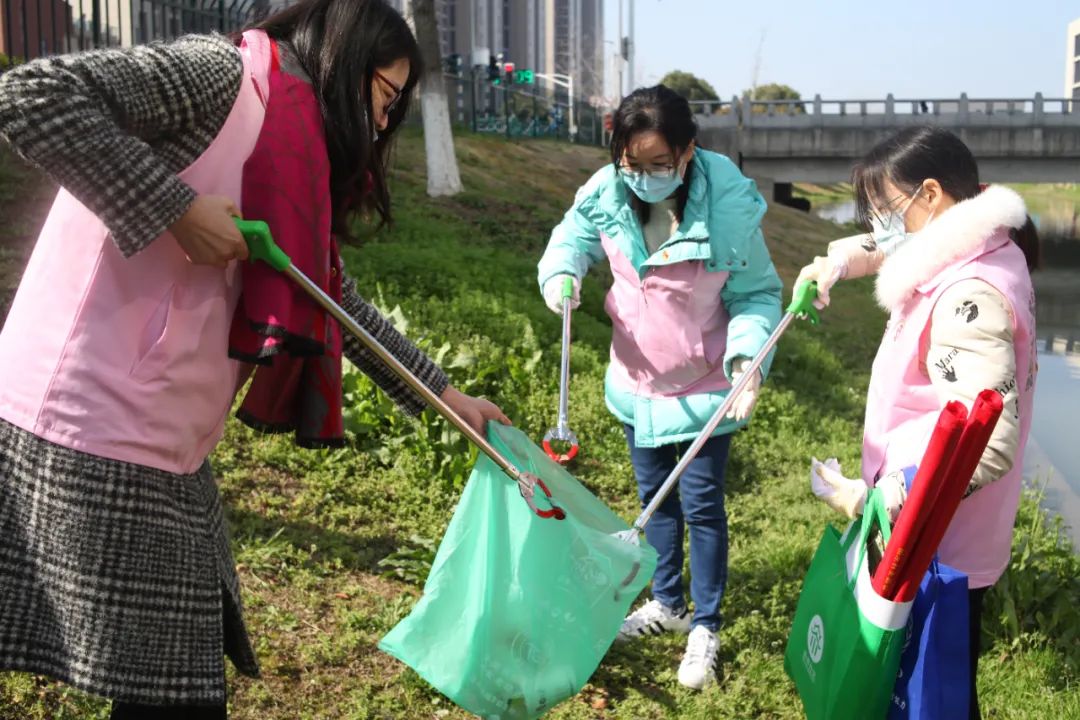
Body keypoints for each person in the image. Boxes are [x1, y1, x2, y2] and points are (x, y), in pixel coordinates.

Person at [0, 0, 509, 716]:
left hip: (163, 436)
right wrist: (173, 208)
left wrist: (444, 397)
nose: (383, 125)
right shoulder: (220, 78)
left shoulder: (292, 144)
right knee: (175, 693)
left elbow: (330, 298)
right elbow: (34, 94)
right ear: (342, 59)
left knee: (173, 682)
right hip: (81, 423)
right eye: (384, 98)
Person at [536, 85, 783, 690]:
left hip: (704, 387)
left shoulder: (725, 211)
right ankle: (667, 603)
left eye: (659, 165)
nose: (645, 177)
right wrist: (563, 272)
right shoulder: (607, 194)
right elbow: (573, 236)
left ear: (687, 152)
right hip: (637, 382)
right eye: (633, 163)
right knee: (654, 502)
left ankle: (706, 624)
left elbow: (756, 295)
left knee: (701, 503)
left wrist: (748, 356)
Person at [799, 126, 1039, 720]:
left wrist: (883, 499)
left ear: (930, 195)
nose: (879, 224)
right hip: (935, 522)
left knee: (934, 687)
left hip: (939, 537)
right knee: (931, 678)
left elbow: (988, 442)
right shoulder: (976, 242)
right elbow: (887, 248)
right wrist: (835, 263)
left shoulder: (968, 295)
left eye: (885, 208)